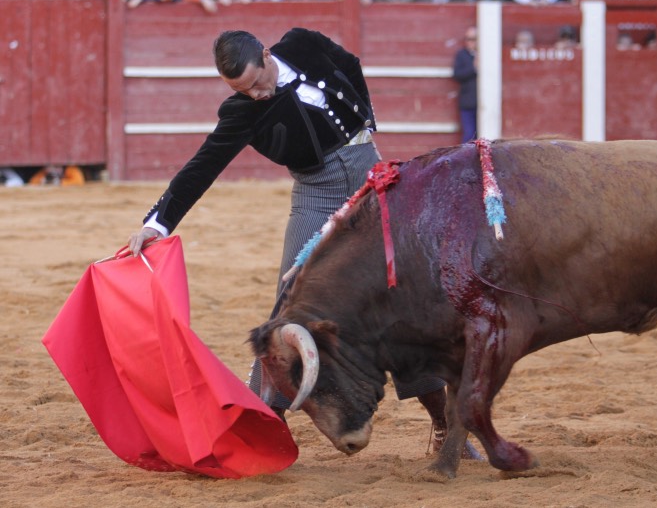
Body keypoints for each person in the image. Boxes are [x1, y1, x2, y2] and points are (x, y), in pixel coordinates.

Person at [125, 28, 458, 451]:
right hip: (315, 195)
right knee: (289, 302)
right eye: (243, 91)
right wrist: (158, 223)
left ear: (266, 56)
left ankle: (444, 425)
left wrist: (366, 118)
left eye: (257, 82)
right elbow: (201, 166)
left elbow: (350, 63)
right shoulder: (242, 111)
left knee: (398, 295)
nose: (257, 95)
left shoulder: (302, 44)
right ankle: (258, 426)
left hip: (372, 182)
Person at [453, 26, 478, 143]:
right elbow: (457, 75)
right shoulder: (462, 55)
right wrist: (474, 68)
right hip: (468, 103)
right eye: (468, 39)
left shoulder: (488, 54)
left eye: (473, 39)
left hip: (484, 103)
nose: (470, 42)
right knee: (469, 135)